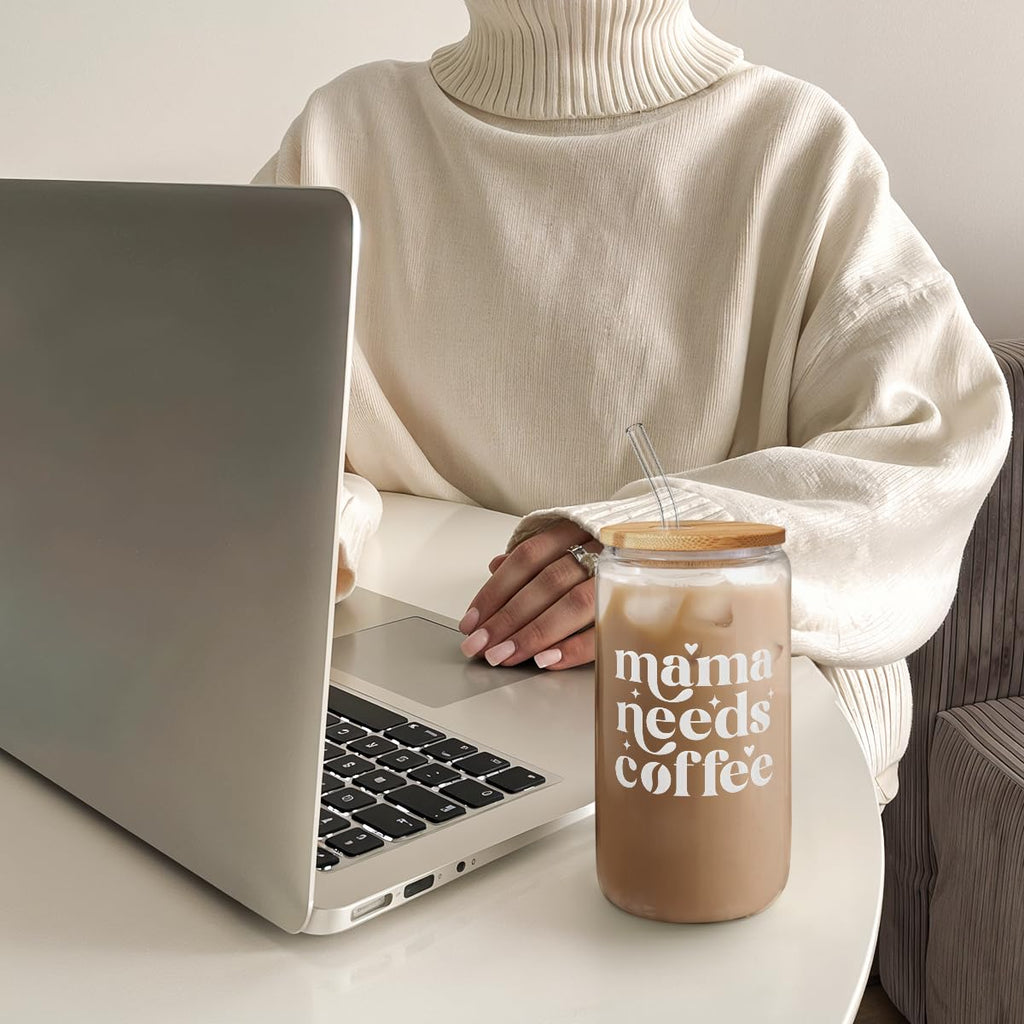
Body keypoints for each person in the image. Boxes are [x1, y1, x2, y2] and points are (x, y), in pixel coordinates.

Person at [252, 0, 1010, 806]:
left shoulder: (791, 140)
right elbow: (222, 415)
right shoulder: (345, 132)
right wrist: (314, 524)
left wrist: (667, 543)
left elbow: (932, 449)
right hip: (387, 679)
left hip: (719, 711)